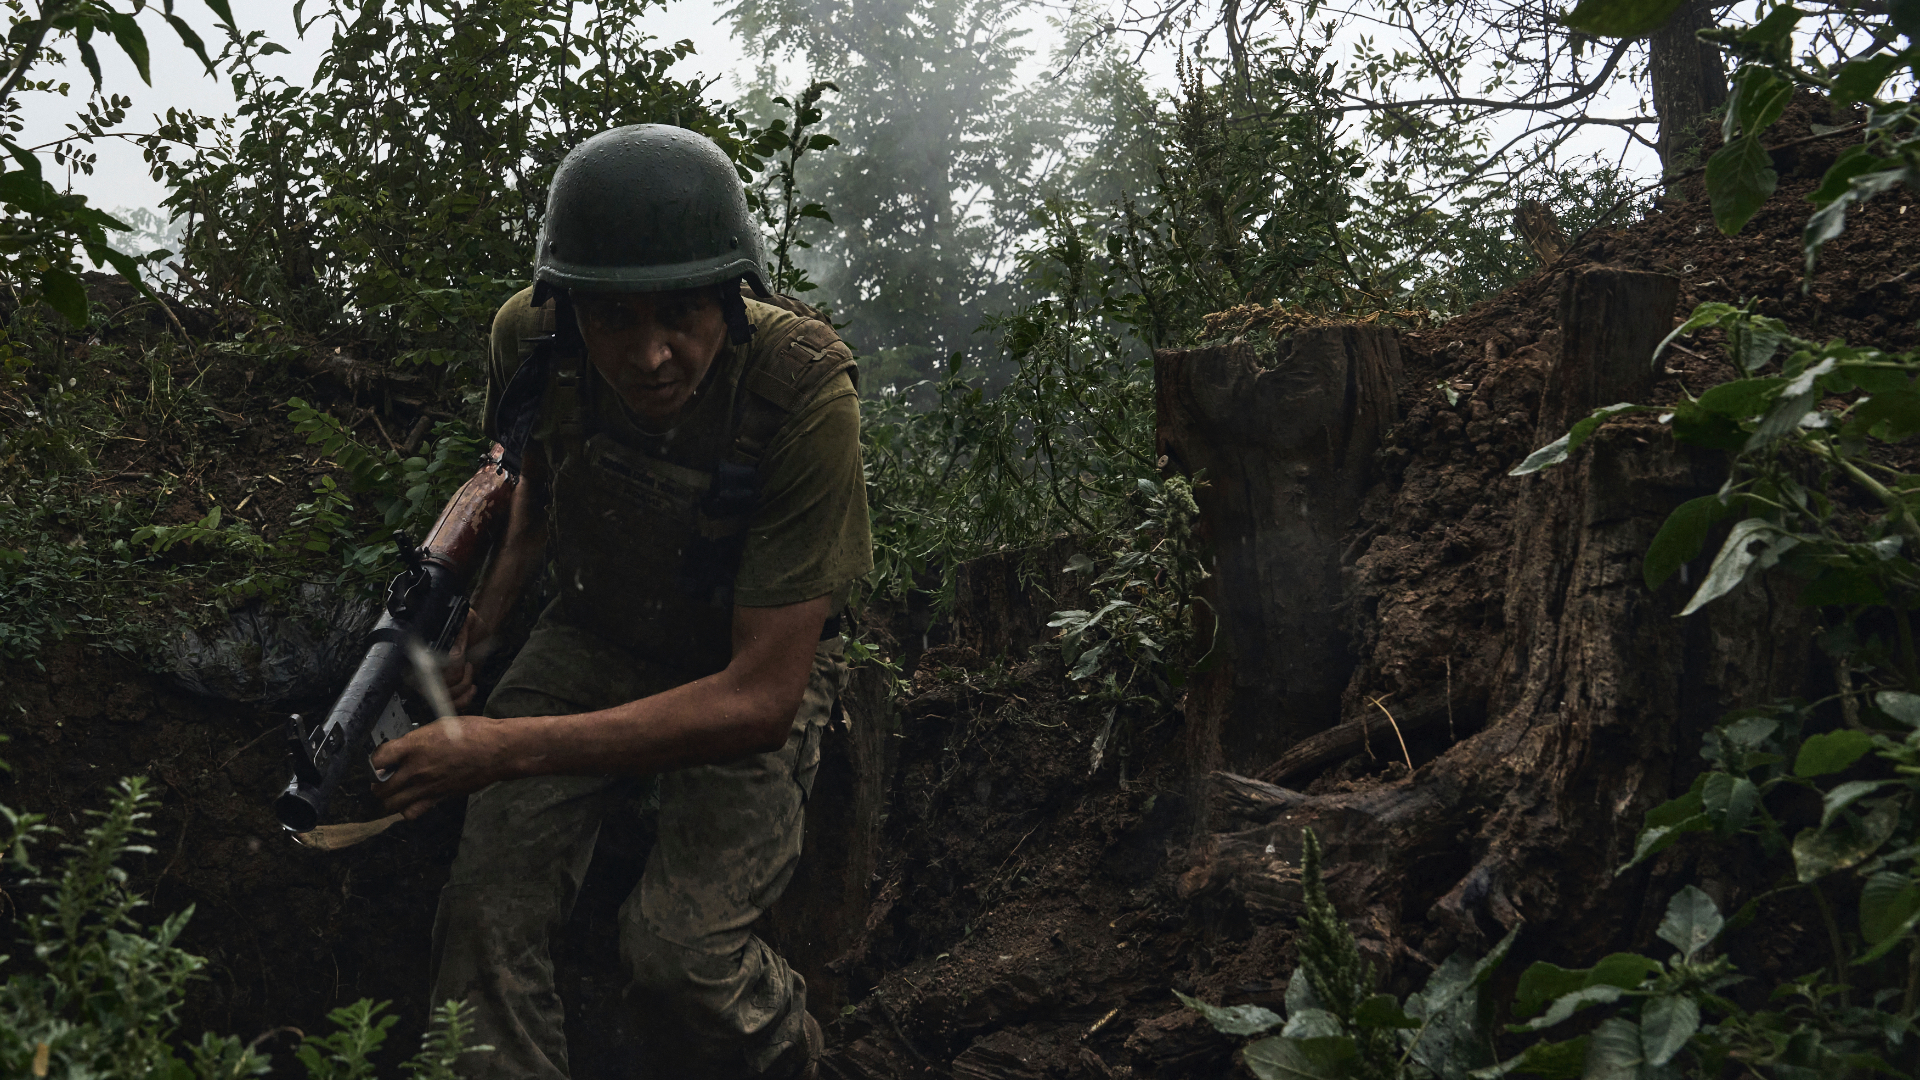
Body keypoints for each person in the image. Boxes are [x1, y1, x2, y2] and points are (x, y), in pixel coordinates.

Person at [366, 123, 872, 1080]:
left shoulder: (802, 393)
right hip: (592, 635)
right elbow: (533, 483)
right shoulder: (532, 336)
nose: (649, 356)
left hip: (741, 663)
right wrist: (487, 622)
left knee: (680, 960)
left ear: (735, 294)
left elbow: (761, 697)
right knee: (481, 919)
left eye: (682, 314)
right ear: (570, 307)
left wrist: (496, 749)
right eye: (614, 322)